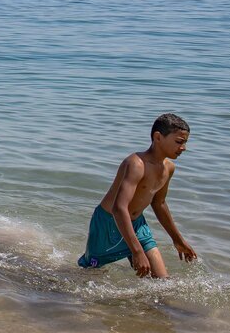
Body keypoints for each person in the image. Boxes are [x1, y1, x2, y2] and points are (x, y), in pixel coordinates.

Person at [77, 113, 199, 278]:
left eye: (185, 142)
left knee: (163, 281)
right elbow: (119, 208)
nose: (183, 147)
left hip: (138, 224)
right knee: (89, 274)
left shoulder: (169, 168)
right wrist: (137, 251)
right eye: (179, 142)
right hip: (108, 223)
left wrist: (177, 239)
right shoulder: (136, 164)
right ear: (158, 137)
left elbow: (159, 203)